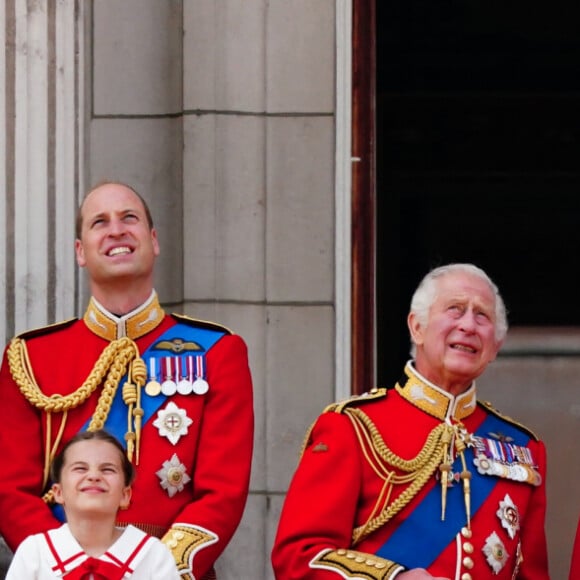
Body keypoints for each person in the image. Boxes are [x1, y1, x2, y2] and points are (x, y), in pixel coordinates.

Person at [0, 181, 254, 580]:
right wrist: (68, 570)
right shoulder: (30, 357)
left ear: (153, 241)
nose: (116, 230)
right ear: (80, 252)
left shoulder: (217, 351)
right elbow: (11, 491)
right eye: (99, 222)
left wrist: (155, 570)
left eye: (129, 218)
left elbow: (223, 493)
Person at [271, 263, 549, 579]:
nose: (469, 325)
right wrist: (393, 577)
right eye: (455, 309)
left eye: (482, 315)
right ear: (417, 327)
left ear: (496, 346)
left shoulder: (525, 449)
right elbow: (299, 557)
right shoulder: (354, 427)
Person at [6, 429, 180, 579]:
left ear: (125, 495)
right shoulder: (34, 552)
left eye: (107, 469)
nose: (94, 476)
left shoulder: (153, 554)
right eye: (80, 468)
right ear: (58, 493)